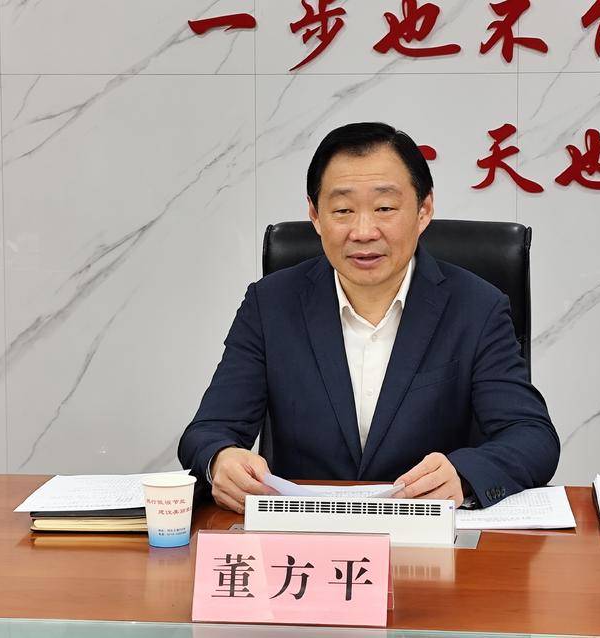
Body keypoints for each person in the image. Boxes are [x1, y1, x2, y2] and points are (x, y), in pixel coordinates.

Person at [179, 122, 559, 513]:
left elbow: (532, 436)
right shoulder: (270, 304)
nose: (363, 231)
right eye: (343, 210)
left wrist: (463, 475)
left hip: (426, 533)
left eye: (385, 208)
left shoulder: (476, 307)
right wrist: (220, 459)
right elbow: (207, 432)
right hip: (305, 534)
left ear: (424, 210)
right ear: (315, 215)